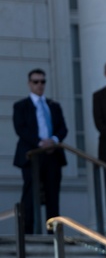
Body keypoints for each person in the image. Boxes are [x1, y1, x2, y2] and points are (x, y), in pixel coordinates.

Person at [13, 68, 68, 234]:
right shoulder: (21, 106)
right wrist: (40, 143)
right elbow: (21, 129)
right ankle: (27, 232)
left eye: (42, 81)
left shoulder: (54, 106)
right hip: (32, 156)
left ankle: (53, 233)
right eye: (36, 82)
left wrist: (54, 141)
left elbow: (63, 129)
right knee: (30, 194)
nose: (39, 85)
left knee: (52, 194)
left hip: (52, 156)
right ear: (29, 83)